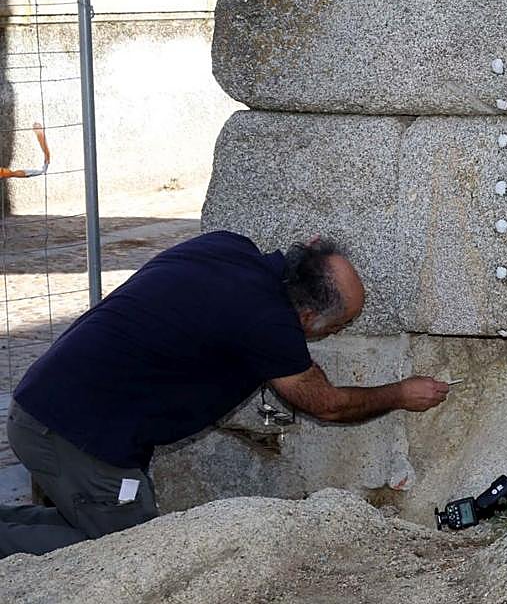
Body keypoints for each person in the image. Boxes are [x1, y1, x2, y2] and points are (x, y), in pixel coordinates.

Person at [0, 230, 449, 558]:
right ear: (307, 314)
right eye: (338, 327)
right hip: (73, 436)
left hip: (46, 406)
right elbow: (327, 405)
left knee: (101, 521)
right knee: (129, 552)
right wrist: (401, 393)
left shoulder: (228, 248)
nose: (336, 334)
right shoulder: (268, 324)